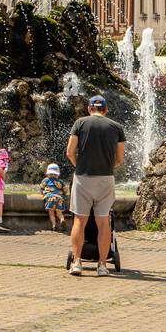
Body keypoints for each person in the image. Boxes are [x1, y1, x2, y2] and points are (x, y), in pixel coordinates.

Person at [65, 94, 125, 276]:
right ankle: (102, 266)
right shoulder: (116, 127)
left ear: (89, 109)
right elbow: (119, 159)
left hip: (83, 178)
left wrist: (80, 167)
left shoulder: (80, 123)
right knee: (103, 222)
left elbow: (69, 152)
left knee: (79, 221)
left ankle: (76, 263)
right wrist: (107, 167)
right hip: (105, 179)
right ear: (105, 110)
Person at [41, 163, 68, 231]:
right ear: (58, 174)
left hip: (50, 198)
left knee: (51, 213)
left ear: (47, 173)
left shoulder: (46, 180)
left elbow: (41, 188)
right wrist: (65, 194)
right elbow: (65, 190)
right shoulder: (61, 181)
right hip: (58, 198)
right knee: (59, 212)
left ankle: (54, 225)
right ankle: (62, 219)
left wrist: (43, 193)